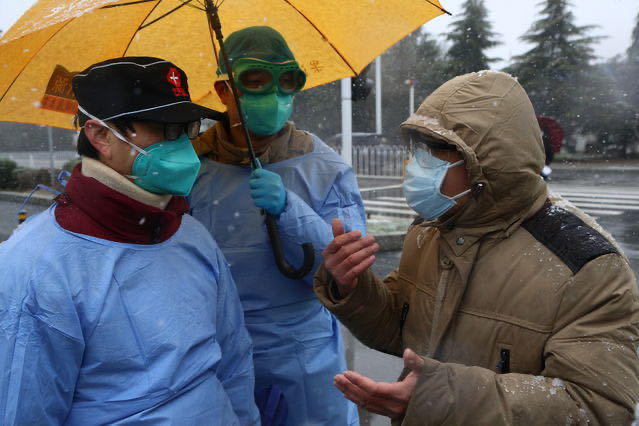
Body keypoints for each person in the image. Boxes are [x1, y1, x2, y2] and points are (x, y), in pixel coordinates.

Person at [314, 71, 639, 425]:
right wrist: (353, 288)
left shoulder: (586, 266)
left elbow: (597, 406)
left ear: (483, 162)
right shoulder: (430, 230)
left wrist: (443, 400)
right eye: (417, 148)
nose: (415, 165)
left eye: (435, 150)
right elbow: (403, 330)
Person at [0, 57, 260, 425]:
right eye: (164, 129)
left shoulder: (191, 234)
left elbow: (234, 360)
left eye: (187, 129)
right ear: (100, 136)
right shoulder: (36, 266)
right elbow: (23, 412)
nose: (183, 147)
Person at [189, 26, 365, 425]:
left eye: (286, 82)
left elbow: (349, 273)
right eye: (255, 82)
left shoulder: (323, 167)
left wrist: (290, 210)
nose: (273, 96)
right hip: (214, 355)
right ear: (223, 91)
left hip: (303, 358)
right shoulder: (190, 168)